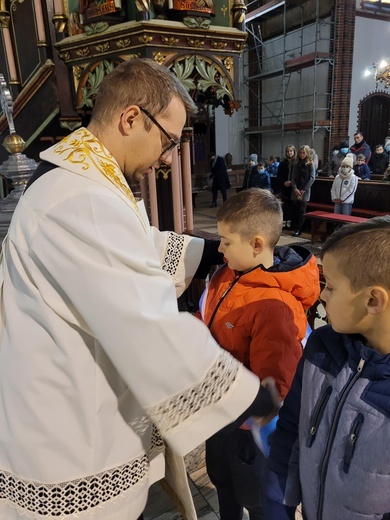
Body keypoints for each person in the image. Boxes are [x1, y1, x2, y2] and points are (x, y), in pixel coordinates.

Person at [0, 59, 279, 520]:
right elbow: (145, 320)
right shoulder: (81, 200)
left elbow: (128, 248)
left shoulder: (83, 183)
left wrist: (204, 252)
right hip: (72, 436)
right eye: (169, 140)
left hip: (61, 410)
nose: (168, 156)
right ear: (131, 118)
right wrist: (244, 394)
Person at [198, 188, 320, 520]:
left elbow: (275, 384)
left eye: (225, 241)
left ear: (256, 244)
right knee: (223, 482)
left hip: (247, 428)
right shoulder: (228, 274)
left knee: (256, 499)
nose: (219, 248)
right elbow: (207, 318)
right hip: (218, 412)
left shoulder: (274, 306)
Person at [266, 216, 390, 520]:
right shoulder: (323, 347)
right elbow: (290, 427)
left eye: (331, 287)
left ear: (373, 300)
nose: (322, 295)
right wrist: (275, 500)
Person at [291, 145, 316, 237]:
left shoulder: (310, 164)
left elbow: (312, 178)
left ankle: (299, 228)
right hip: (296, 190)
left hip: (305, 190)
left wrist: (304, 189)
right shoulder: (296, 164)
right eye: (300, 153)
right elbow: (292, 177)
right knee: (296, 210)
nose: (302, 155)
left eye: (303, 153)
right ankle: (295, 226)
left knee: (302, 210)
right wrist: (294, 188)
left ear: (307, 153)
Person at [275, 144, 296, 227]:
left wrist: (293, 183)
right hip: (285, 187)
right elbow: (279, 176)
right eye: (287, 151)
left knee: (293, 206)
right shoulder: (282, 163)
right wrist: (284, 182)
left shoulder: (296, 163)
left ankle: (292, 224)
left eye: (291, 151)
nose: (289, 153)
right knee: (285, 205)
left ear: (294, 152)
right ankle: (285, 223)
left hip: (294, 187)